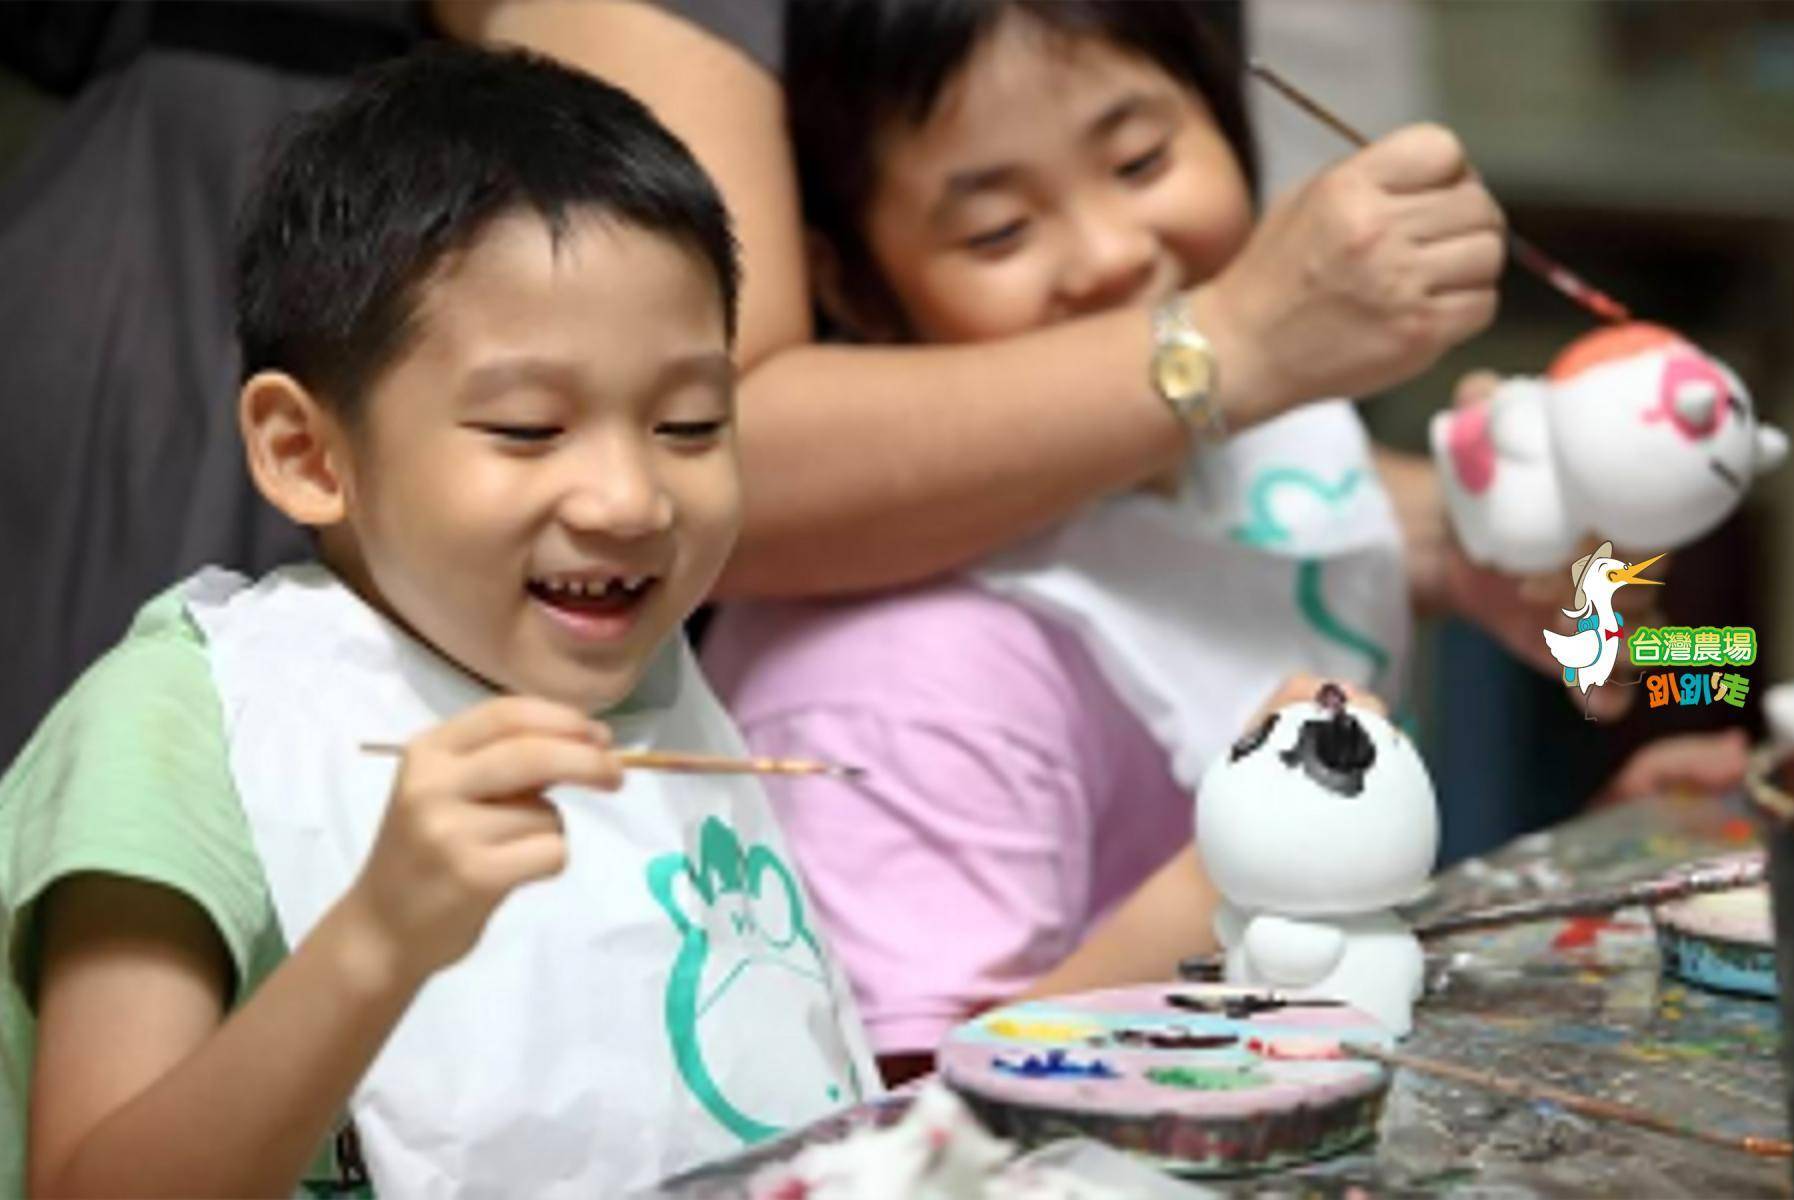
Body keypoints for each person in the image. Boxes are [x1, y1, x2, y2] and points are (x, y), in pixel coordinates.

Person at [0, 46, 877, 1197]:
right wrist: (377, 943)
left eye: (689, 426)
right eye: (526, 428)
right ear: (307, 453)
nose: (630, 500)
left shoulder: (666, 692)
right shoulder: (188, 719)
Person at [680, 0, 1527, 1082]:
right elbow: (901, 1128)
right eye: (998, 230)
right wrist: (1240, 880)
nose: (1112, 256)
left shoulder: (1266, 464)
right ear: (851, 282)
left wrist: (1654, 648)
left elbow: (1631, 666)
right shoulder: (902, 679)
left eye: (1140, 159)